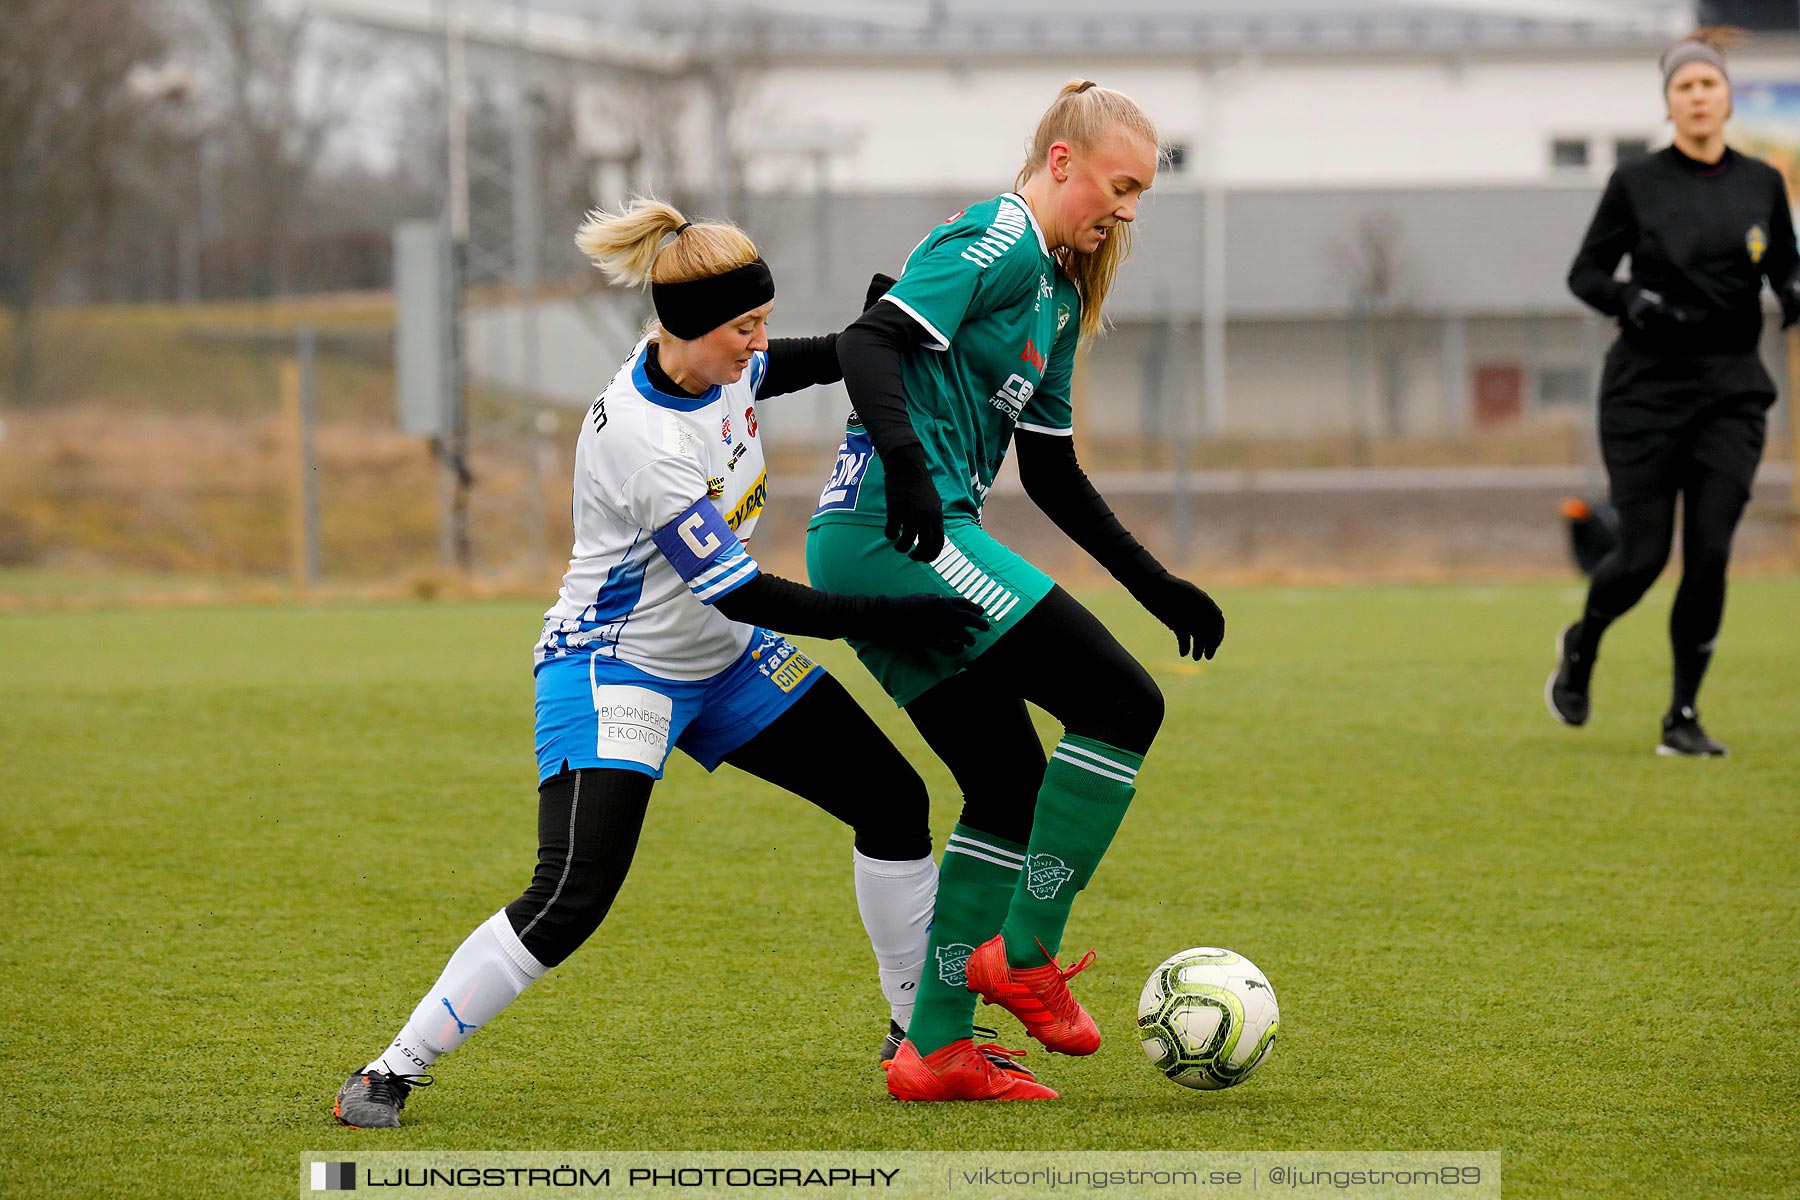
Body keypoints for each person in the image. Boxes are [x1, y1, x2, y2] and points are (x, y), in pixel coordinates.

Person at [332, 199, 993, 1127]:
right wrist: (898, 614)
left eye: (761, 321)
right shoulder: (644, 440)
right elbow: (744, 592)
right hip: (617, 668)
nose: (758, 343)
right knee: (572, 894)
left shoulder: (719, 365)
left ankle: (910, 1029)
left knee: (891, 801)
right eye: (744, 327)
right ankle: (390, 1069)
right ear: (687, 328)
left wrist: (887, 332)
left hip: (723, 662)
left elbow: (815, 358)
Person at [805, 81, 1225, 1102]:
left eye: (1141, 195)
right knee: (1124, 703)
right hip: (896, 533)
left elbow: (1053, 476)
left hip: (899, 534)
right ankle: (1025, 951)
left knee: (1004, 780)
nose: (1126, 209)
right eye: (1119, 185)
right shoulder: (994, 236)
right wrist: (908, 469)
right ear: (1064, 161)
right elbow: (868, 342)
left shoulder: (1058, 296)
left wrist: (1154, 583)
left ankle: (936, 1046)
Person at [1549, 27, 1799, 757]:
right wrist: (1631, 301)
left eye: (1709, 85)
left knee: (1712, 552)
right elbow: (1585, 275)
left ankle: (1682, 717)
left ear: (1727, 99)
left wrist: (1792, 288)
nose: (1697, 97)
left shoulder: (1762, 183)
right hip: (1646, 393)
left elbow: (1784, 266)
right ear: (1670, 104)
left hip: (1731, 391)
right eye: (1684, 87)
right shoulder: (1636, 183)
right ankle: (1583, 642)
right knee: (1644, 557)